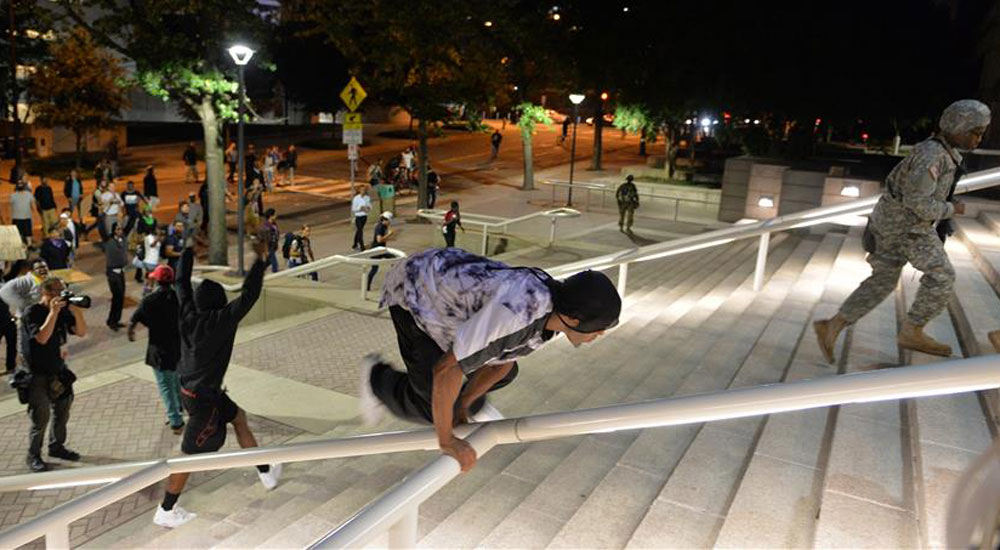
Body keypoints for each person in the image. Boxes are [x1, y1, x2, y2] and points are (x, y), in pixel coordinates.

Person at [359, 248, 621, 472]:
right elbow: (446, 370)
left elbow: (503, 361)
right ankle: (376, 379)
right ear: (573, 319)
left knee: (496, 379)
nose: (599, 334)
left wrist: (463, 405)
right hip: (416, 287)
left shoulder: (552, 311)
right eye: (598, 328)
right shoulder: (519, 314)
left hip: (450, 285)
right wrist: (447, 440)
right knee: (434, 405)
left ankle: (454, 402)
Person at [814, 99, 991, 362]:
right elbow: (917, 203)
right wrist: (951, 209)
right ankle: (913, 331)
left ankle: (831, 327)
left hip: (891, 224)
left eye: (981, 133)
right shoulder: (933, 155)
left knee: (883, 280)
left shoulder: (940, 151)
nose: (978, 139)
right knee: (942, 275)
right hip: (907, 229)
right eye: (975, 132)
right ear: (957, 127)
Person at [153, 240, 281, 528]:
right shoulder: (222, 320)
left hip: (193, 390)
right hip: (203, 400)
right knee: (187, 456)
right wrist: (259, 261)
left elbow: (181, 283)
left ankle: (265, 472)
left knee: (238, 417)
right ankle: (166, 510)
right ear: (220, 302)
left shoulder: (188, 314)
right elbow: (250, 294)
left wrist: (186, 251)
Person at [21, 276, 87, 472]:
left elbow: (81, 332)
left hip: (58, 370)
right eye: (57, 291)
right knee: (40, 418)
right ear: (46, 293)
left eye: (63, 290)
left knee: (62, 411)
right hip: (36, 374)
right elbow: (42, 338)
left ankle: (56, 447)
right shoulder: (32, 312)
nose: (61, 295)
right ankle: (33, 455)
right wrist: (53, 313)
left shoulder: (63, 310)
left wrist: (76, 311)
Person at [128, 265, 184, 433]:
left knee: (165, 386)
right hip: (178, 347)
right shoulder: (179, 298)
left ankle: (176, 420)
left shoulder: (149, 300)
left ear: (157, 280)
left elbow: (136, 318)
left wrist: (131, 331)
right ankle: (181, 407)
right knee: (176, 380)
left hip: (159, 350)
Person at [0, 261, 27, 374]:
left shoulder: (3, 281)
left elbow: (13, 272)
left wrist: (19, 258)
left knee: (12, 344)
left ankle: (11, 367)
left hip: (7, 319)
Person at [105, 223, 128, 331]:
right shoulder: (111, 243)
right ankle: (112, 321)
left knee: (121, 297)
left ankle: (116, 320)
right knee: (117, 297)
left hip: (121, 272)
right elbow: (115, 257)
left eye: (121, 229)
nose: (120, 231)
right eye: (118, 229)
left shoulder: (123, 240)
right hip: (113, 272)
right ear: (114, 230)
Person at [365, 212, 395, 292]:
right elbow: (379, 240)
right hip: (376, 251)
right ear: (385, 220)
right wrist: (389, 234)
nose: (390, 223)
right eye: (389, 221)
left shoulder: (384, 226)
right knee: (374, 269)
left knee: (394, 260)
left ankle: (393, 279)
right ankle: (367, 286)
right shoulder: (379, 227)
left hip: (382, 249)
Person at [11, 181, 35, 246]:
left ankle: (29, 245)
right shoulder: (13, 195)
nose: (20, 185)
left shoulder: (29, 194)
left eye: (21, 184)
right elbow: (10, 206)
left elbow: (32, 204)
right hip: (16, 217)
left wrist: (34, 212)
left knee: (28, 233)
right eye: (19, 184)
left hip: (26, 217)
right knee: (18, 233)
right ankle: (20, 245)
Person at [351, 185, 371, 251]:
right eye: (362, 190)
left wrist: (368, 208)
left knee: (359, 230)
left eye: (364, 190)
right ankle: (362, 246)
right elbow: (354, 209)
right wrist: (360, 208)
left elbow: (370, 206)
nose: (363, 191)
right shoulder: (356, 198)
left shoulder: (367, 198)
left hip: (364, 216)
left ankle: (355, 244)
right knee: (360, 231)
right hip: (358, 216)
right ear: (359, 190)